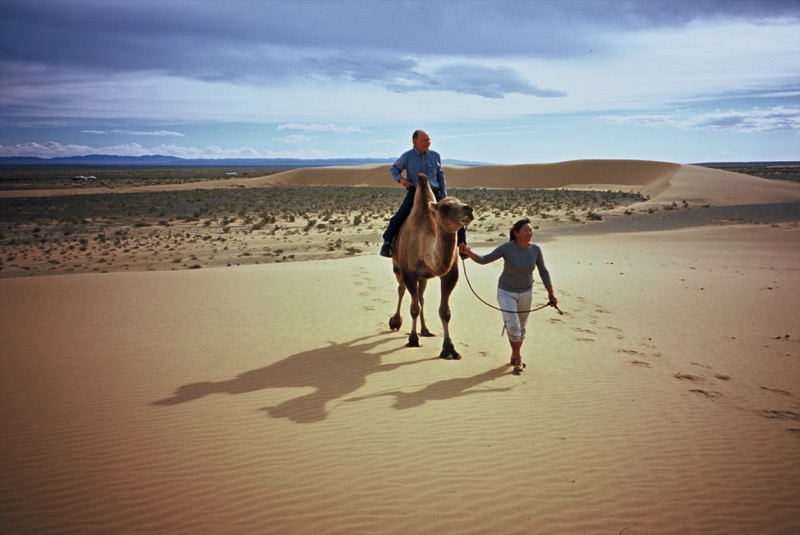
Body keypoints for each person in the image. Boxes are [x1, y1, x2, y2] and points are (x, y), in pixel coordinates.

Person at [459, 218, 557, 375]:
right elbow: (484, 260)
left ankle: (514, 353)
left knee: (522, 326)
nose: (529, 233)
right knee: (513, 325)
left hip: (526, 292)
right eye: (525, 230)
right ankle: (518, 358)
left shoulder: (536, 250)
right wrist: (468, 253)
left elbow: (543, 271)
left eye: (530, 230)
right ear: (516, 233)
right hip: (506, 292)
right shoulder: (507, 248)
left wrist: (551, 293)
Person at [379, 129, 466, 257]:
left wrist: (444, 194)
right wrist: (401, 179)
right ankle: (387, 244)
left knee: (455, 216)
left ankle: (463, 246)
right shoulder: (407, 156)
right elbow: (394, 169)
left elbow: (441, 176)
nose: (428, 143)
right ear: (415, 141)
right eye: (424, 140)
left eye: (429, 140)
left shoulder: (435, 155)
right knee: (399, 217)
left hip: (435, 192)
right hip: (415, 192)